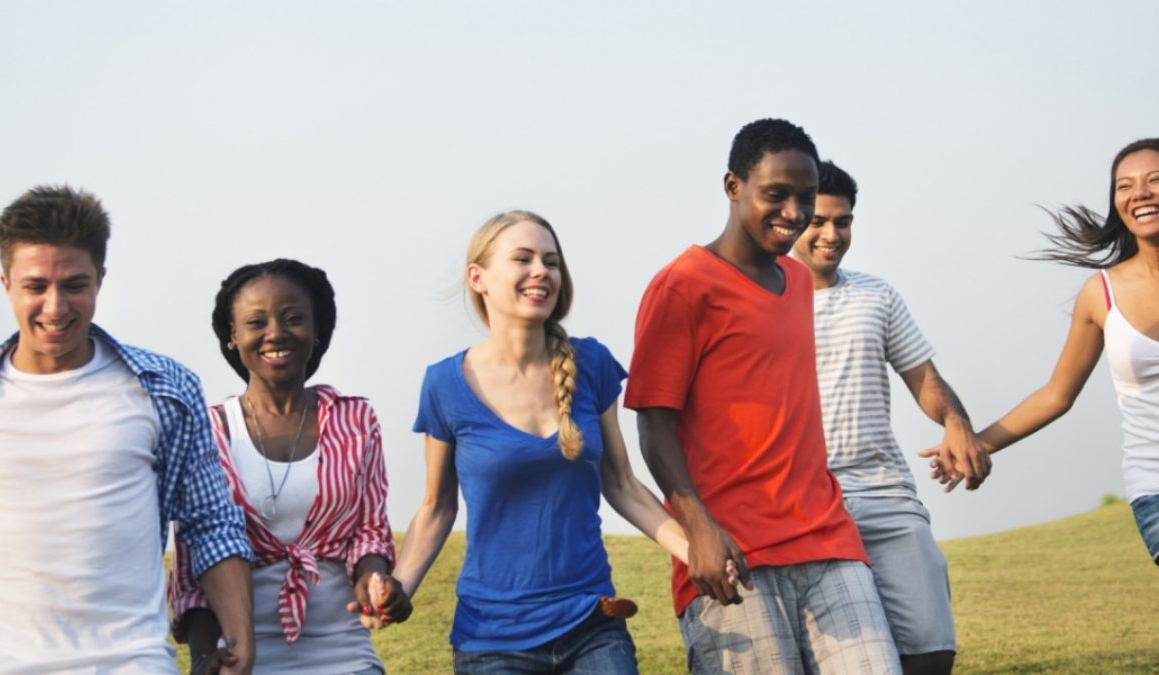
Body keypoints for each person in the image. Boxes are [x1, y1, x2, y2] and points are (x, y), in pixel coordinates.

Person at [625, 119, 902, 674]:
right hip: (731, 551)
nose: (794, 213)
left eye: (804, 197)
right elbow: (655, 425)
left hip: (827, 537)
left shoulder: (797, 280)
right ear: (733, 187)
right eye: (776, 195)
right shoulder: (683, 286)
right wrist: (698, 530)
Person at [392, 210, 691, 674]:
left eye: (551, 261)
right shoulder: (444, 385)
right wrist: (398, 590)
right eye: (523, 258)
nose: (541, 272)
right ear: (479, 278)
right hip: (491, 639)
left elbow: (623, 485)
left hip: (592, 626)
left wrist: (697, 554)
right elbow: (436, 509)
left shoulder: (591, 364)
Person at [0, 185, 255, 674]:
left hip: (132, 661)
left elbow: (210, 522)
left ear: (100, 281)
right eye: (35, 286)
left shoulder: (163, 389)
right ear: (6, 283)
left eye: (73, 285)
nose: (55, 306)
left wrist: (239, 641)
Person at [790, 160, 991, 675]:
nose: (832, 234)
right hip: (807, 504)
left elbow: (924, 379)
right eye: (819, 221)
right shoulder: (761, 299)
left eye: (844, 221)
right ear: (792, 219)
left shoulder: (876, 295)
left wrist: (956, 423)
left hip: (886, 494)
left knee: (932, 646)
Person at [965, 138, 1159, 598]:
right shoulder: (1100, 293)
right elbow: (1056, 395)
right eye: (1124, 186)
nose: (1139, 192)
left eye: (1156, 179)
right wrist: (977, 443)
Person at [170, 258, 411, 674]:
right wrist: (204, 656)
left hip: (345, 654)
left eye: (294, 318)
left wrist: (377, 582)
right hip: (242, 658)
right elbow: (191, 567)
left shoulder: (355, 420)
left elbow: (370, 533)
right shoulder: (206, 431)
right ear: (233, 335)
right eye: (256, 321)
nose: (276, 333)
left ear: (317, 330)